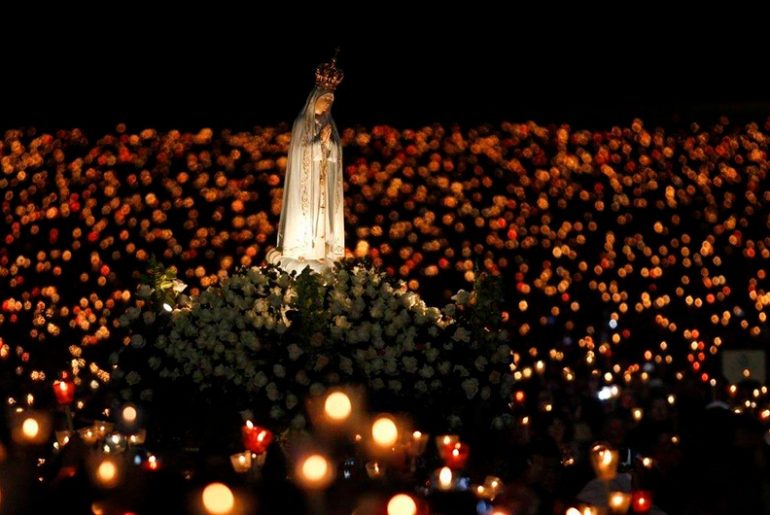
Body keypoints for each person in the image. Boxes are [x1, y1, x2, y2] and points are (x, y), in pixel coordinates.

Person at [273, 53, 345, 273]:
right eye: (324, 100)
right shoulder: (302, 123)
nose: (326, 106)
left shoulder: (329, 124)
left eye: (329, 102)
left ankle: (322, 250)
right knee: (308, 216)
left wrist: (329, 145)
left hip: (323, 182)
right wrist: (318, 143)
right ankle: (302, 248)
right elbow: (299, 152)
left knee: (322, 218)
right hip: (308, 183)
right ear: (316, 98)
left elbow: (336, 153)